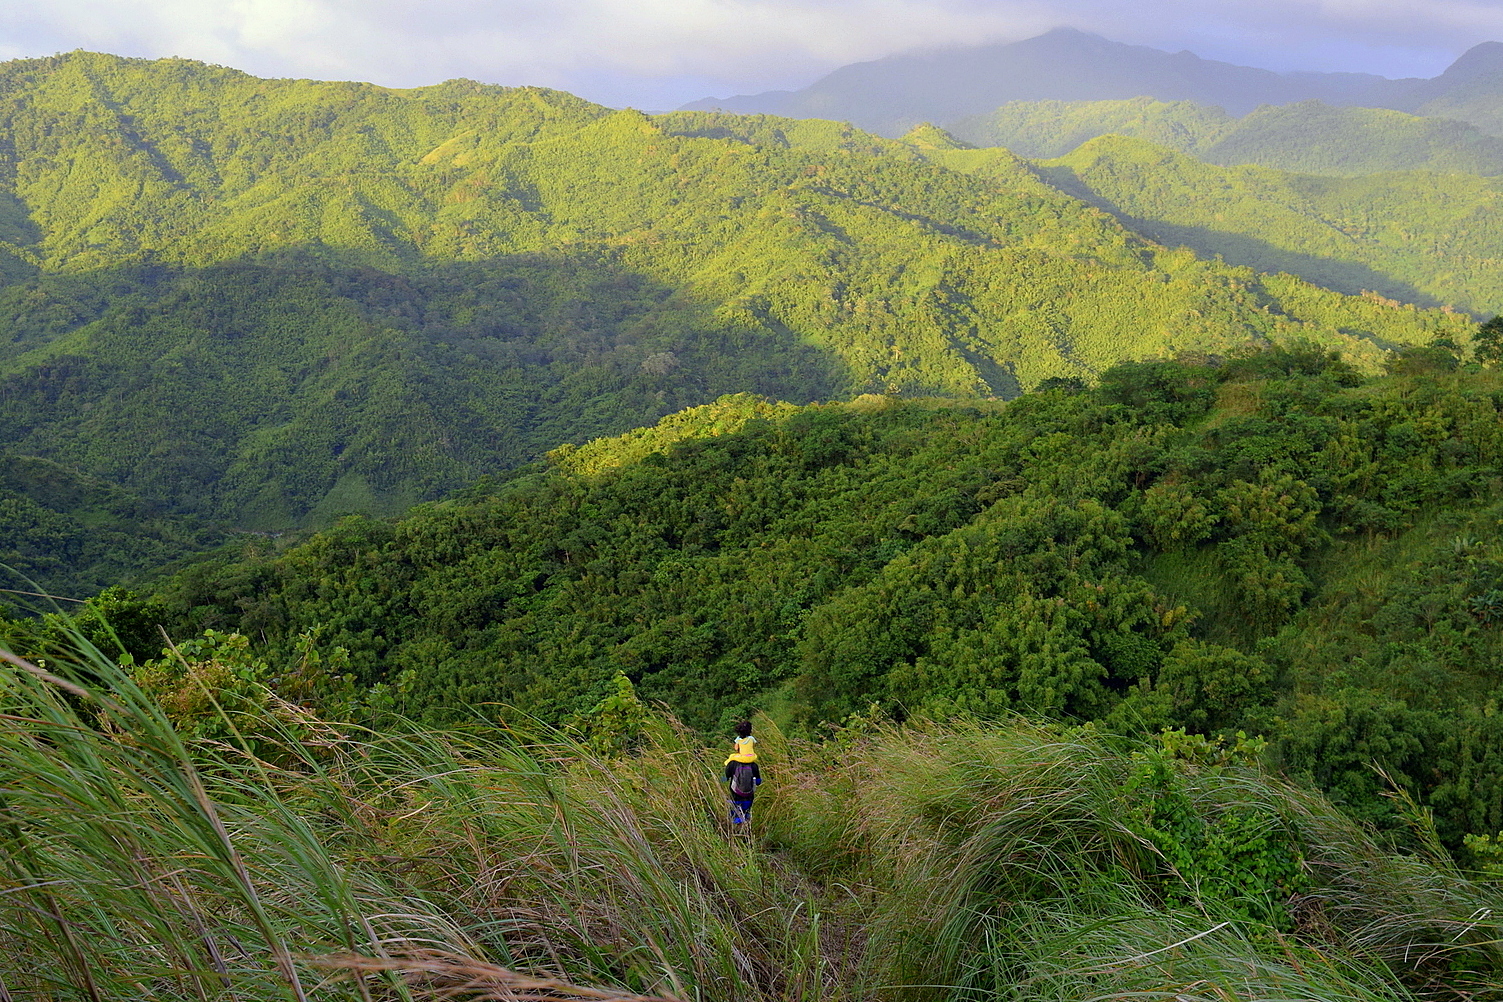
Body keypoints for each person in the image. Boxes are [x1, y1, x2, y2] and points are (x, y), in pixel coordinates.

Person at [722, 720, 761, 824]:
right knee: (748, 803)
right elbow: (758, 781)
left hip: (736, 791)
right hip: (749, 792)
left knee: (734, 801)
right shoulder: (754, 765)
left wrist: (722, 779)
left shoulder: (733, 763)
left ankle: (735, 819)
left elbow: (726, 777)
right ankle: (746, 815)